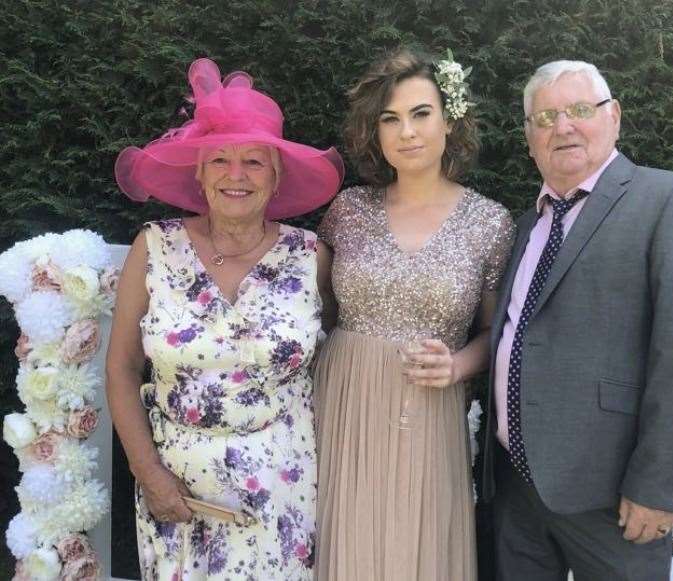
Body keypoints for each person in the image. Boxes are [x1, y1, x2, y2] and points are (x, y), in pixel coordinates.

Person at [481, 60, 673, 580]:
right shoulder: (529, 223)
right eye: (544, 118)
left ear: (613, 116)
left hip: (615, 497)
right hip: (517, 493)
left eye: (578, 110)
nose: (562, 126)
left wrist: (659, 487)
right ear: (529, 138)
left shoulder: (670, 199)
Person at [106, 57, 343, 580]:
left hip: (282, 490)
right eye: (220, 161)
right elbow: (122, 368)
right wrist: (148, 474)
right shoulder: (155, 247)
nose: (236, 176)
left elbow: (336, 358)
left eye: (255, 162)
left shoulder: (312, 257)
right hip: (177, 493)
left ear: (276, 175)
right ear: (199, 172)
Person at [312, 49, 514, 581]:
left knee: (417, 551)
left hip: (429, 408)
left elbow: (499, 332)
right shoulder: (346, 210)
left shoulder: (488, 223)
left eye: (421, 113)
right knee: (344, 544)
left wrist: (459, 366)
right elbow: (319, 316)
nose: (407, 132)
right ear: (375, 133)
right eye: (390, 119)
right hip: (342, 405)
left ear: (450, 120)